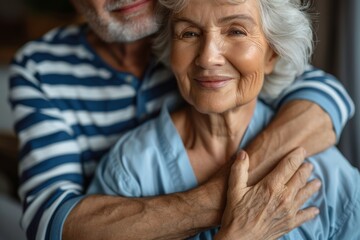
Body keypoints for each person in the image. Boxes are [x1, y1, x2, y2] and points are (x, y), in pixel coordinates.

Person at [8, 0, 354, 239]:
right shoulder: (40, 66)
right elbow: (48, 222)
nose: (208, 58)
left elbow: (326, 96)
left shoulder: (199, 28)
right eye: (188, 34)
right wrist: (231, 200)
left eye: (234, 31)